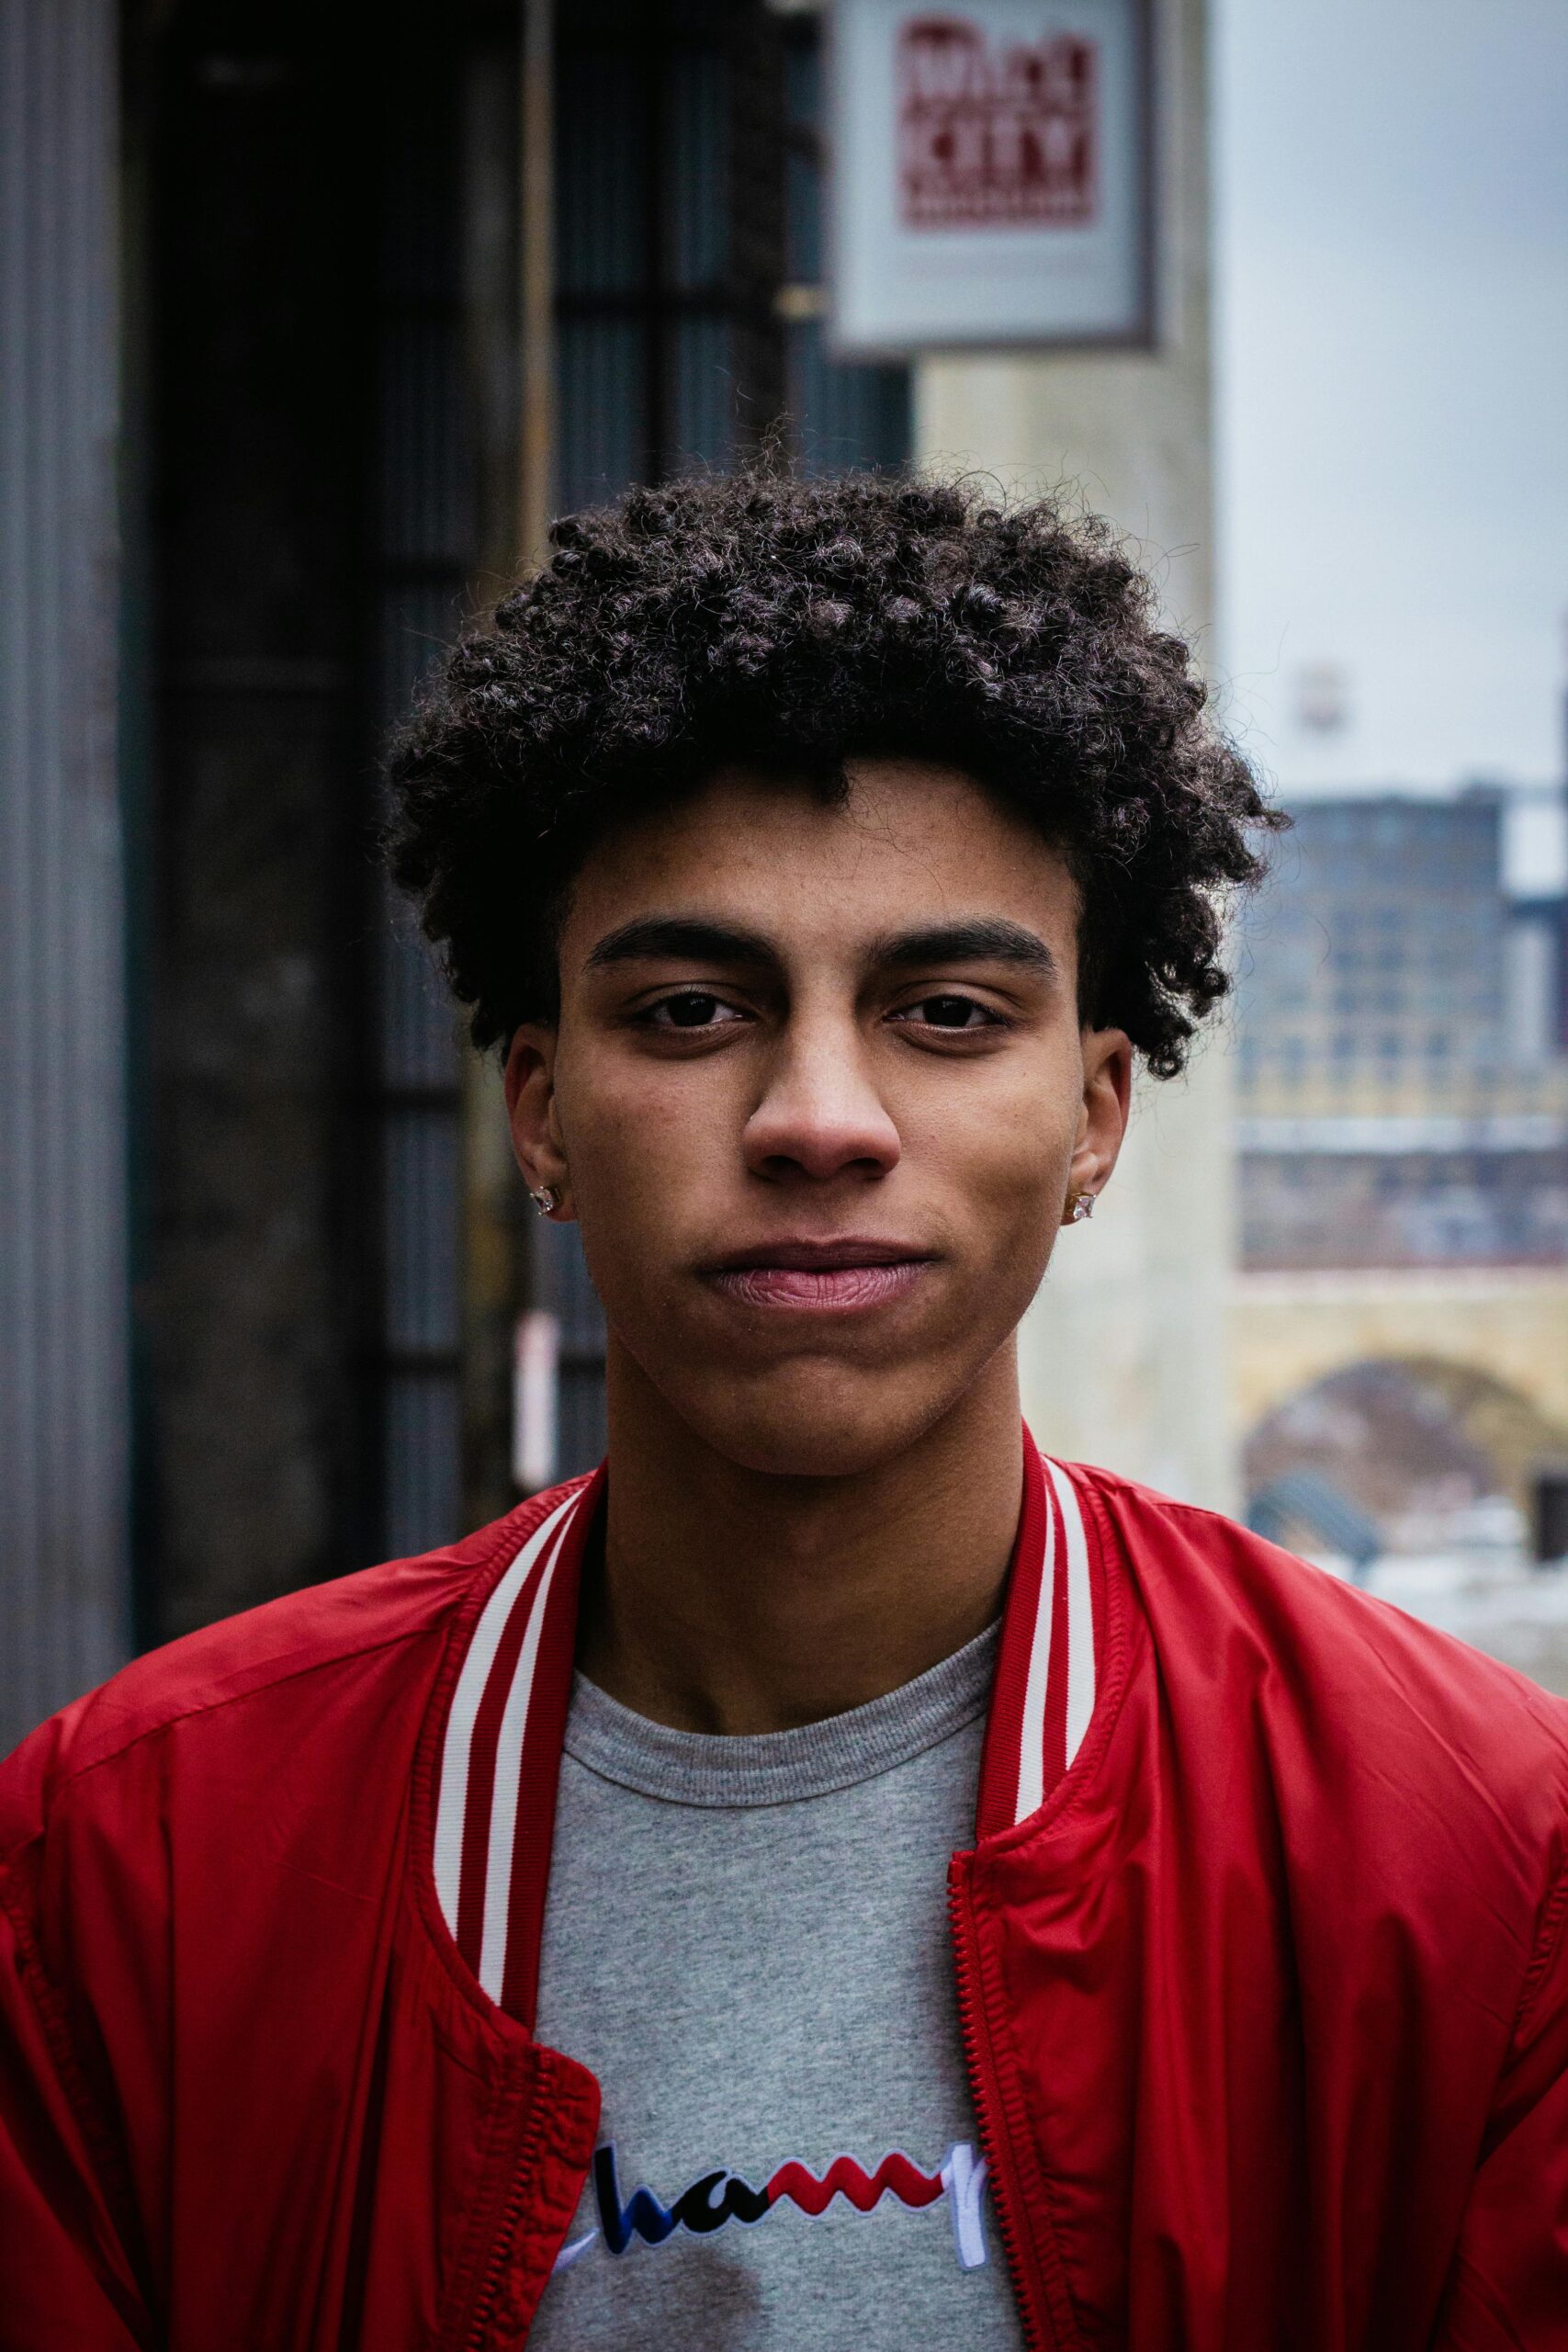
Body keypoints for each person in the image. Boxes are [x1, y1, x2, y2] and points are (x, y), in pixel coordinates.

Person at [3, 473, 1565, 2352]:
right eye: (685, 1009)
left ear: (1091, 1116)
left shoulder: (1468, 1861)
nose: (816, 1113)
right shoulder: (131, 1863)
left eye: (945, 1012)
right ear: (539, 1108)